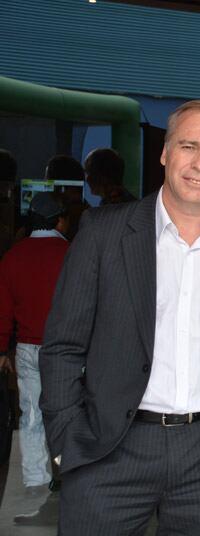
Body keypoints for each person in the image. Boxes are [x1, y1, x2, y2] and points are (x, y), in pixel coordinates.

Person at [39, 100, 200, 535]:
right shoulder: (103, 232)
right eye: (188, 146)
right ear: (166, 153)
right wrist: (65, 442)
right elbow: (62, 347)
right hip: (106, 449)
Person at [0, 192, 69, 503]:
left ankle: (36, 480)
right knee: (67, 413)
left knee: (31, 415)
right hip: (67, 349)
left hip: (27, 347)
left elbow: (3, 308)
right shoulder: (70, 252)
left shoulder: (13, 256)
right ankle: (67, 472)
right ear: (59, 220)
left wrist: (2, 349)